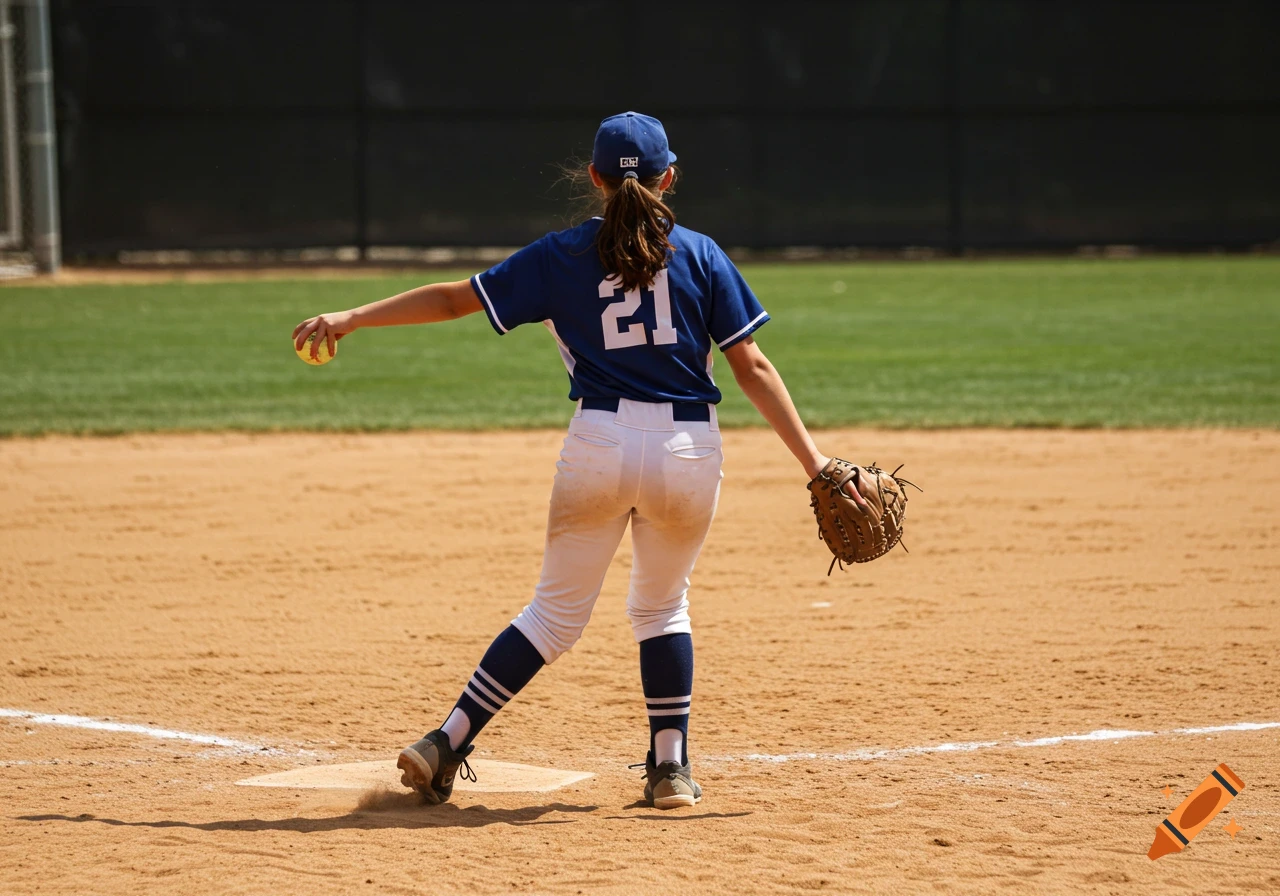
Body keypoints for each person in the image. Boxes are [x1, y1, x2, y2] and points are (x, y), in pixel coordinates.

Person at [292, 111, 866, 809]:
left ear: (593, 178)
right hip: (688, 451)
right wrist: (817, 464)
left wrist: (352, 317)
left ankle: (448, 739)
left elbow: (452, 299)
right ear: (670, 178)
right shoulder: (703, 254)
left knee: (553, 617)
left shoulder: (561, 254)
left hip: (597, 445)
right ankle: (670, 770)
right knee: (661, 608)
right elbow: (751, 366)